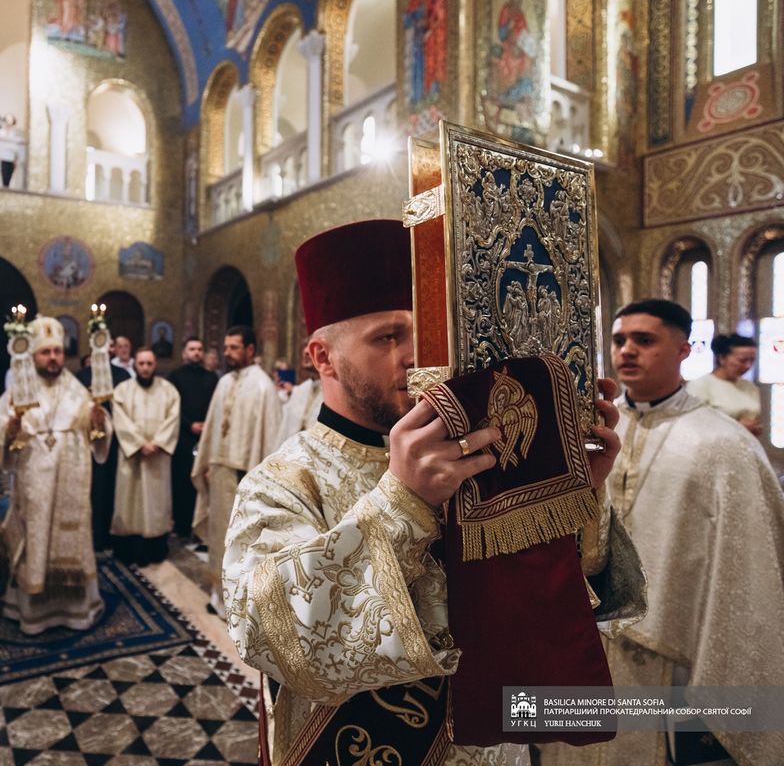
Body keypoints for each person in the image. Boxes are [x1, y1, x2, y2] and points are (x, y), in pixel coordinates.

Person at [225, 220, 633, 765]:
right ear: (321, 357)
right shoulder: (284, 480)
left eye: (429, 334)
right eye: (388, 337)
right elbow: (265, 632)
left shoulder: (478, 456)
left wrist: (576, 495)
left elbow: (564, 607)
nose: (416, 356)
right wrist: (402, 502)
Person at [543, 300, 784, 766]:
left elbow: (751, 566)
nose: (627, 350)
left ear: (683, 349)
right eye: (619, 340)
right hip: (582, 637)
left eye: (644, 340)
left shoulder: (725, 444)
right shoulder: (584, 429)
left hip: (670, 649)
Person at [0, 316, 112, 635]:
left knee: (74, 540)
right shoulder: (20, 390)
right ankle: (32, 611)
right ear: (33, 356)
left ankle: (75, 610)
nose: (53, 358)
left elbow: (98, 429)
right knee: (35, 539)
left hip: (73, 481)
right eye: (45, 353)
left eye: (57, 352)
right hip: (34, 480)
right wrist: (10, 429)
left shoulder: (76, 388)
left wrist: (98, 420)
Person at [191, 324, 281, 619]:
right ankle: (219, 597)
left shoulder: (263, 386)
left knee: (242, 545)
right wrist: (205, 464)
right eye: (226, 347)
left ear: (250, 350)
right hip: (219, 474)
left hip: (244, 477)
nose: (227, 353)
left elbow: (270, 438)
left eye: (234, 347)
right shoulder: (224, 382)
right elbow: (213, 428)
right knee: (219, 538)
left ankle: (240, 608)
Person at [110, 347, 180, 565]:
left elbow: (173, 418)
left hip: (157, 457)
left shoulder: (168, 390)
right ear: (134, 365)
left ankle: (155, 549)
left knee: (156, 504)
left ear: (155, 364)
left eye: (149, 364)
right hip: (133, 457)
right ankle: (128, 550)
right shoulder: (122, 390)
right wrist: (139, 444)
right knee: (129, 502)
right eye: (141, 364)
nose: (145, 368)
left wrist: (158, 443)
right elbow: (119, 419)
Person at [75, 352, 131, 549]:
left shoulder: (122, 376)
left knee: (116, 487)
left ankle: (114, 534)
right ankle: (94, 535)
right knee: (93, 488)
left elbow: (129, 405)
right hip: (90, 443)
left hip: (119, 441)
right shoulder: (81, 376)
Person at [168, 336, 218, 537]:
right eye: (192, 349)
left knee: (204, 483)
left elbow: (216, 407)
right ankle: (182, 526)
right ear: (184, 353)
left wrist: (207, 425)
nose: (196, 352)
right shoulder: (174, 377)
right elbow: (172, 408)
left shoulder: (212, 377)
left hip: (206, 437)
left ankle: (202, 527)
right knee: (182, 481)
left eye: (199, 349)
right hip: (183, 436)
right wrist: (190, 425)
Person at [686, 332, 762, 436]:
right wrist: (738, 427)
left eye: (752, 360)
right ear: (722, 358)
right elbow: (693, 424)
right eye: (742, 360)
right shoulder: (701, 385)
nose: (748, 365)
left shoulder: (749, 387)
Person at [273, 343, 322, 449]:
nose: (306, 352)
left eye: (315, 346)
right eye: (306, 346)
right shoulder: (301, 390)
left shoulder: (335, 392)